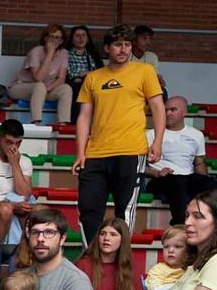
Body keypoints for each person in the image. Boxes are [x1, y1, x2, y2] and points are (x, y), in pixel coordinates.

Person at [73, 25, 166, 243]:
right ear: (107, 48)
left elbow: (158, 107)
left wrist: (158, 142)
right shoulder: (93, 78)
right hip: (96, 153)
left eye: (127, 44)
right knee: (88, 209)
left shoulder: (144, 71)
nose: (123, 49)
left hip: (131, 150)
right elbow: (84, 117)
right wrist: (80, 153)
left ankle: (119, 261)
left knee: (125, 212)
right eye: (117, 45)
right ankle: (92, 259)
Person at [145, 97, 212, 226]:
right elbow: (138, 165)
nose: (168, 113)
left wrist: (203, 181)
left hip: (187, 178)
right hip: (161, 179)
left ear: (184, 113)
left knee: (210, 184)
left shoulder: (196, 134)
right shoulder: (151, 134)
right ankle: (180, 225)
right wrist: (156, 173)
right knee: (176, 183)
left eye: (173, 110)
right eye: (166, 110)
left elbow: (199, 163)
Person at [12, 24, 72, 126]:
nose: (53, 40)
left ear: (61, 41)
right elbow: (38, 78)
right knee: (39, 86)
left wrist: (46, 90)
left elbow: (61, 79)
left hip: (46, 89)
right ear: (45, 38)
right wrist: (49, 54)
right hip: (22, 87)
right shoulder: (36, 51)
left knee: (66, 88)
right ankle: (37, 123)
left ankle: (62, 124)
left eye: (57, 38)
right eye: (51, 37)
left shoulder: (64, 53)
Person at [64, 25, 103, 94]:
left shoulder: (94, 55)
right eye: (77, 35)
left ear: (87, 39)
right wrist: (81, 75)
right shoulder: (66, 54)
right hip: (74, 88)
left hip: (94, 85)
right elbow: (67, 76)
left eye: (83, 35)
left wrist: (86, 74)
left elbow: (101, 71)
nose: (81, 38)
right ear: (72, 40)